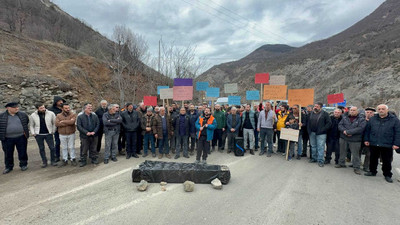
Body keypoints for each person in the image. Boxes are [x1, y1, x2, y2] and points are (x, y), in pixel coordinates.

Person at [364, 104, 400, 183]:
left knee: (386, 161)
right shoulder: (373, 119)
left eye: (383, 109)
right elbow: (367, 130)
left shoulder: (394, 120)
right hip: (374, 142)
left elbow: (398, 132)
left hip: (387, 143)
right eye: (379, 109)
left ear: (387, 110)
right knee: (373, 159)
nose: (381, 110)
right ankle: (372, 171)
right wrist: (366, 139)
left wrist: (396, 143)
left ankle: (387, 174)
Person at [0, 102, 30, 174]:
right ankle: (9, 167)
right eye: (15, 107)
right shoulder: (1, 116)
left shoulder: (22, 114)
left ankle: (23, 164)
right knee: (8, 153)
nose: (17, 108)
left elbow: (26, 122)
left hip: (21, 137)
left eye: (17, 107)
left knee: (22, 151)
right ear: (8, 108)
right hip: (7, 138)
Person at [336, 106, 366, 175]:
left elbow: (360, 128)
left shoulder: (361, 119)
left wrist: (349, 132)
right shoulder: (345, 117)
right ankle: (341, 163)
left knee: (355, 154)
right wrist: (344, 131)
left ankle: (356, 167)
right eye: (351, 110)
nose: (352, 111)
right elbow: (340, 125)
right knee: (342, 152)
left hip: (355, 139)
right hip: (344, 137)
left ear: (357, 111)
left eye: (354, 110)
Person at [29, 103, 57, 168]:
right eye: (41, 108)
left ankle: (53, 160)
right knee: (41, 148)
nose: (43, 109)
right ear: (37, 108)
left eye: (43, 107)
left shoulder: (51, 113)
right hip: (39, 134)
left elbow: (54, 123)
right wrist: (33, 133)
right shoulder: (33, 115)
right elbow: (31, 125)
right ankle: (44, 161)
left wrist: (53, 131)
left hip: (48, 133)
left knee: (52, 148)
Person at [307, 102, 332, 167]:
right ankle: (314, 158)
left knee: (320, 147)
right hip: (312, 132)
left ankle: (320, 160)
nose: (315, 107)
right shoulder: (311, 113)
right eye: (315, 106)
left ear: (321, 107)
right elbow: (308, 122)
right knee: (313, 146)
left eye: (317, 106)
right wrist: (309, 130)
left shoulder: (325, 114)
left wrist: (323, 130)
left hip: (321, 133)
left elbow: (329, 123)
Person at [48, 96, 65, 162]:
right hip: (57, 128)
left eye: (61, 101)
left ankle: (66, 155)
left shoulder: (65, 107)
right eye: (59, 101)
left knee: (66, 143)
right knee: (57, 142)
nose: (61, 102)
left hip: (65, 127)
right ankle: (57, 156)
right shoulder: (51, 110)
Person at [361, 107, 376, 172]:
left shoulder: (375, 121)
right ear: (365, 113)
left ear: (373, 114)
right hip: (360, 139)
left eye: (371, 112)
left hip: (370, 140)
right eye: (367, 112)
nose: (369, 114)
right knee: (357, 152)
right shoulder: (361, 120)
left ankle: (366, 166)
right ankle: (356, 164)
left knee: (369, 154)